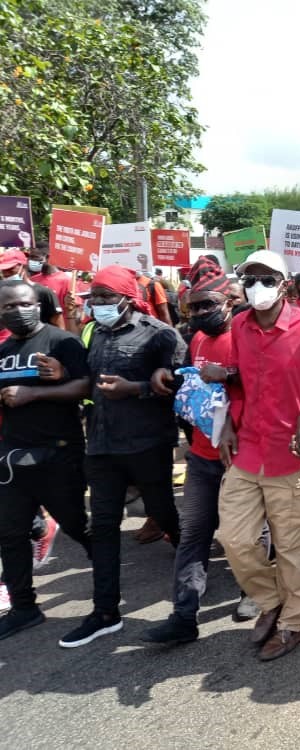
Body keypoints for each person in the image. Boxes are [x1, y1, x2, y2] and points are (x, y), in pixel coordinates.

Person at [214, 249, 300, 662]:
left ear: (285, 285)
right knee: (234, 538)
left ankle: (292, 622)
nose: (257, 287)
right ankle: (270, 601)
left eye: (267, 279)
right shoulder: (238, 325)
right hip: (249, 450)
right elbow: (237, 384)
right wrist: (229, 423)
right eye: (249, 278)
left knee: (292, 548)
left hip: (296, 457)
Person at [59, 265, 187, 649]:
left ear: (128, 300)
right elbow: (83, 379)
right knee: (103, 526)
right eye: (93, 298)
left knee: (163, 511)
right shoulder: (93, 332)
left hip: (147, 444)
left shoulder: (161, 335)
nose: (97, 305)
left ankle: (189, 557)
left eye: (105, 298)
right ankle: (105, 612)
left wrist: (135, 389)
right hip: (101, 446)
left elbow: (182, 386)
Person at [141, 257, 248, 645]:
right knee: (194, 534)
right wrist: (165, 376)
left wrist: (231, 376)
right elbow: (190, 386)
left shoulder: (248, 335)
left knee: (244, 535)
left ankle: (255, 591)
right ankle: (184, 615)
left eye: (208, 305)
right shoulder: (197, 339)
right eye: (194, 307)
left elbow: (267, 384)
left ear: (229, 302)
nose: (200, 312)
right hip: (203, 455)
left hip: (242, 455)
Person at [0, 280, 92, 641]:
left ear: (37, 303)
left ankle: (106, 583)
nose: (17, 310)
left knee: (76, 525)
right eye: (8, 307)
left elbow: (86, 388)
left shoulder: (61, 341)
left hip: (59, 451)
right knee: (9, 534)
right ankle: (24, 608)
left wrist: (33, 394)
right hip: (11, 456)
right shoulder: (4, 349)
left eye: (23, 303)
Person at [1, 249, 64, 328]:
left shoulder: (44, 293)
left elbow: (59, 327)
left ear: (23, 266)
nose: (6, 273)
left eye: (10, 269)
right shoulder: (2, 293)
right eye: (3, 270)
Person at [28, 244, 74, 325]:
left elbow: (72, 308)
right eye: (30, 257)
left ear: (48, 257)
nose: (30, 260)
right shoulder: (33, 280)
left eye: (34, 257)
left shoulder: (66, 280)